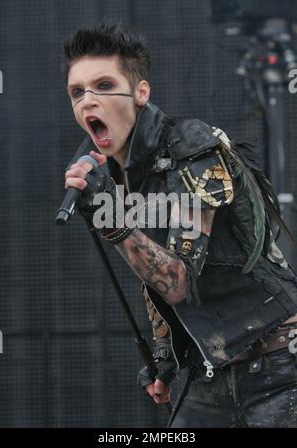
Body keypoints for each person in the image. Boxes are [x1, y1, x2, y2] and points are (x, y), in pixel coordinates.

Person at [61, 23, 297, 428]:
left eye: (103, 85)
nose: (88, 101)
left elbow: (178, 278)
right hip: (214, 372)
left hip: (278, 368)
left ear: (141, 93)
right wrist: (165, 354)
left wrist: (111, 217)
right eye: (78, 92)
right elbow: (153, 269)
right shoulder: (118, 171)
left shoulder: (190, 148)